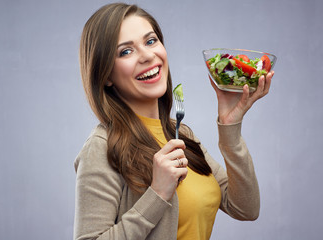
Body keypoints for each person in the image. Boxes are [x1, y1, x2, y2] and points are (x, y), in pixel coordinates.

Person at [74, 3, 274, 240]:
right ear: (105, 75)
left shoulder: (181, 134)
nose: (148, 55)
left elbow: (245, 208)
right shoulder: (102, 146)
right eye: (126, 51)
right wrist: (157, 194)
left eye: (150, 41)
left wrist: (229, 126)